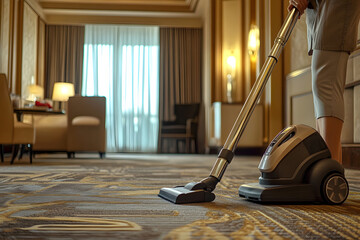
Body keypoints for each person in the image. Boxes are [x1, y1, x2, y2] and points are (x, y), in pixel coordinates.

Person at [288, 0, 360, 164]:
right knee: (322, 87)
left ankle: (329, 168)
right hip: (320, 7)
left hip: (335, 6)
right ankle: (328, 167)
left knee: (326, 85)